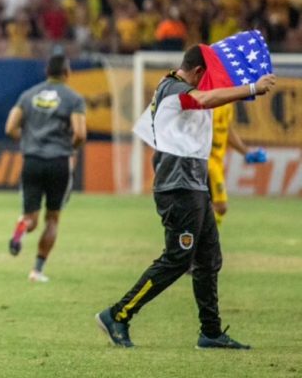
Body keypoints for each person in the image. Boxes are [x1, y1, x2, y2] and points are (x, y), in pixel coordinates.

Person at [96, 46, 276, 349]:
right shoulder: (176, 89)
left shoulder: (176, 88)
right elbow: (204, 99)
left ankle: (211, 332)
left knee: (208, 259)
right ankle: (118, 314)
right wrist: (251, 89)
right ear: (198, 72)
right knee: (177, 259)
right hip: (178, 187)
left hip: (194, 184)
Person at [4, 52, 87, 282]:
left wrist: (30, 142)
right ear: (67, 73)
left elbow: (10, 127)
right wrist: (70, 147)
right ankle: (36, 270)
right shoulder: (73, 99)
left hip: (32, 161)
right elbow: (80, 133)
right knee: (52, 218)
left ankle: (22, 226)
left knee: (31, 218)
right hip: (58, 161)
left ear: (46, 72)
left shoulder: (28, 95)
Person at [208, 104, 266, 227]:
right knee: (219, 206)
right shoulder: (209, 97)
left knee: (211, 206)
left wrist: (246, 152)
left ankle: (202, 241)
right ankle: (204, 241)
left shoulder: (227, 103)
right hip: (206, 160)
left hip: (217, 161)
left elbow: (227, 129)